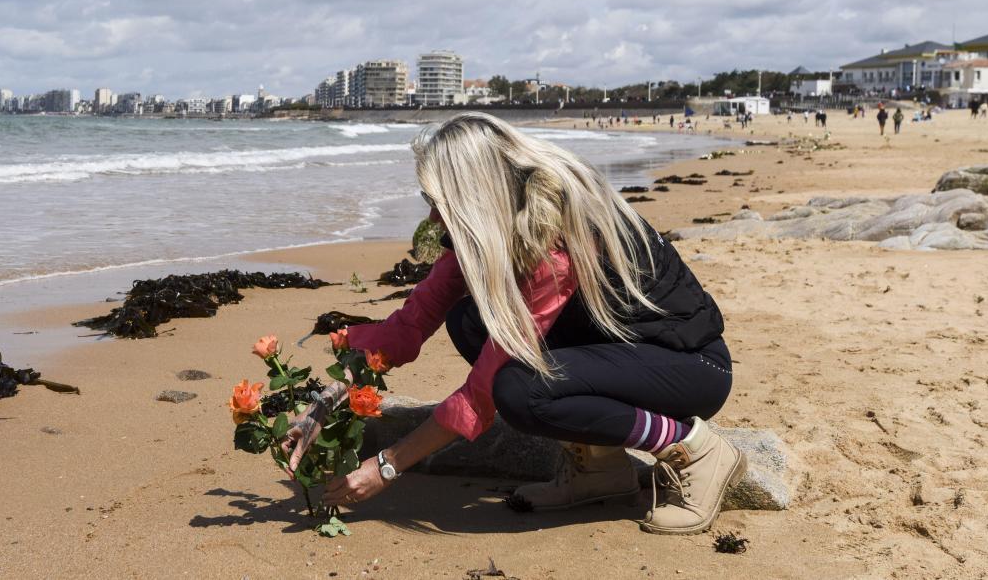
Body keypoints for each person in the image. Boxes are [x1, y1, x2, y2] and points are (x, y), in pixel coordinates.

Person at [281, 112, 741, 535]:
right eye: (428, 199)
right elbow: (409, 325)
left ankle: (693, 448)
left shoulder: (555, 236)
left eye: (439, 200)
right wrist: (328, 400)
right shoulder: (495, 226)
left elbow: (483, 391)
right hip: (624, 353)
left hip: (690, 368)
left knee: (523, 391)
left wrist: (387, 465)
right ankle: (600, 469)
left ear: (476, 193)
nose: (433, 215)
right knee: (468, 321)